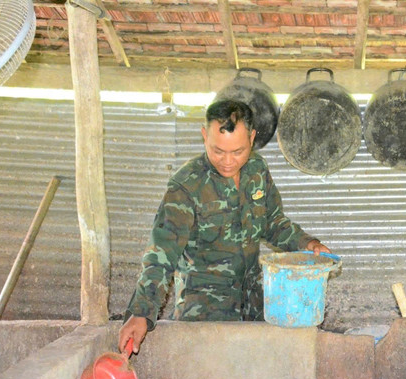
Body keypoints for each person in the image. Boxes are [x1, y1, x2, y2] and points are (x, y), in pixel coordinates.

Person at [118, 99, 332, 354]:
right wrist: (141, 312)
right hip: (205, 314)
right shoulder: (187, 186)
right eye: (218, 151)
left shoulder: (257, 170)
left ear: (252, 138)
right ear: (204, 135)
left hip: (254, 305)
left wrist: (307, 243)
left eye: (238, 151)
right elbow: (161, 255)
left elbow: (273, 222)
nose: (228, 161)